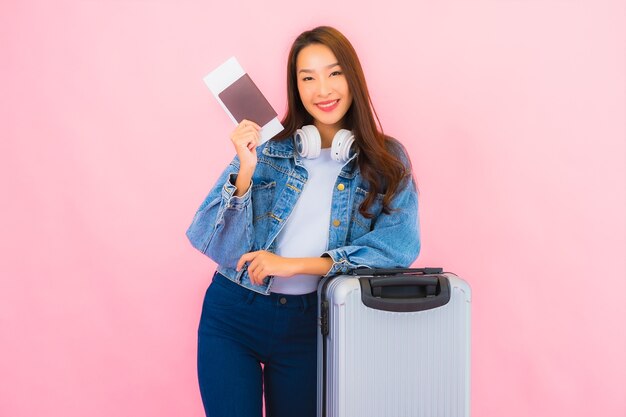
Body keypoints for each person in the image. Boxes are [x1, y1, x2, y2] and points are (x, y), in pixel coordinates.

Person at [186, 26, 420, 417]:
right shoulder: (268, 145)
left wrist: (296, 266)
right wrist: (245, 169)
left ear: (352, 77)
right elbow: (221, 249)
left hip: (313, 323)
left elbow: (398, 248)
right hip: (234, 313)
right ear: (296, 87)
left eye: (333, 73)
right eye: (307, 78)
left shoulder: (387, 160)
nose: (322, 90)